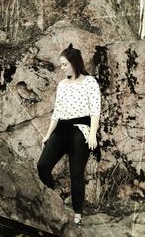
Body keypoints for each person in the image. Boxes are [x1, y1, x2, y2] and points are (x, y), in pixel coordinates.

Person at [37, 43, 101, 226]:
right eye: (61, 65)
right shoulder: (62, 85)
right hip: (61, 129)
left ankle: (77, 215)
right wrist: (48, 134)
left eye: (65, 64)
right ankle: (54, 201)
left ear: (75, 63)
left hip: (81, 129)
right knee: (42, 165)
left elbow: (95, 111)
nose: (62, 68)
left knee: (76, 174)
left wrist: (93, 135)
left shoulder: (90, 82)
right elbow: (57, 112)